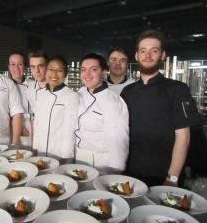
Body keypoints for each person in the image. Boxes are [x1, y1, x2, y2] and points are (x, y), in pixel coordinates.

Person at [121, 30, 199, 186]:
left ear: (163, 55)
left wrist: (172, 177)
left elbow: (184, 137)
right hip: (129, 174)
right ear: (136, 56)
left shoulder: (178, 89)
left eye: (154, 51)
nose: (147, 55)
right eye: (143, 51)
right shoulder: (127, 91)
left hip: (163, 178)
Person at [75, 53, 129, 174]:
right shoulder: (80, 92)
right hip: (78, 157)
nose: (87, 74)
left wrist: (115, 171)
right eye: (83, 69)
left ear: (104, 72)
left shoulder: (113, 101)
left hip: (101, 162)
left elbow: (119, 141)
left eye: (93, 69)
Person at [33, 56, 79, 163]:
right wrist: (35, 149)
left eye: (59, 70)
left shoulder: (71, 96)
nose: (54, 74)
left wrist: (65, 157)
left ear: (66, 74)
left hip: (60, 155)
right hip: (40, 153)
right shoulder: (40, 94)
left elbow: (70, 130)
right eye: (51, 69)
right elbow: (37, 125)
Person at [8, 52, 34, 138]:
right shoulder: (4, 86)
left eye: (20, 64)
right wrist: (20, 127)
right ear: (8, 67)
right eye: (13, 64)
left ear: (25, 67)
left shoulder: (33, 84)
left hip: (35, 127)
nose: (17, 68)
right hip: (14, 127)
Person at [27, 50, 48, 114]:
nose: (37, 71)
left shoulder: (58, 90)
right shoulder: (30, 88)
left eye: (40, 66)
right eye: (33, 66)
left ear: (47, 66)